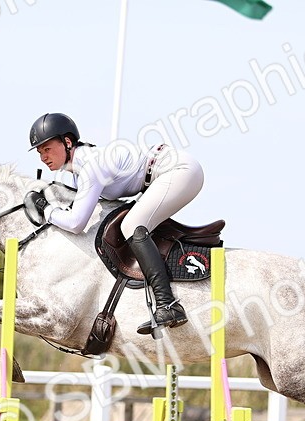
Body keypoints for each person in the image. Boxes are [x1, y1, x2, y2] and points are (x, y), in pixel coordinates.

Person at [25, 112, 204, 335]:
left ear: (67, 142)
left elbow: (77, 223)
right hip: (163, 173)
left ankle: (168, 304)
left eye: (47, 148)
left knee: (132, 225)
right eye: (40, 152)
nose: (43, 157)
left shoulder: (91, 166)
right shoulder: (77, 171)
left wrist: (47, 210)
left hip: (179, 170)